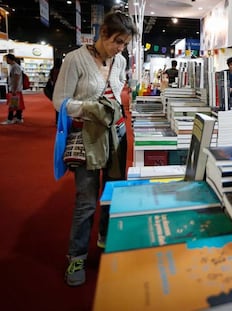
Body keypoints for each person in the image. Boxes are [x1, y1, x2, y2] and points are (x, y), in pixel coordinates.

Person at [52, 10, 138, 287]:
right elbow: (60, 101)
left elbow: (120, 90)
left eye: (125, 43)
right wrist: (91, 108)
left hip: (118, 135)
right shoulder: (76, 59)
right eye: (117, 41)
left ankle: (105, 238)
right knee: (86, 201)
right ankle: (76, 256)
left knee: (113, 195)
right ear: (103, 34)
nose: (120, 47)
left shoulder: (121, 60)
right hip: (87, 136)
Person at [1, 53, 25, 124]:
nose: (6, 61)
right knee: (18, 104)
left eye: (6, 59)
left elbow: (16, 78)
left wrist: (14, 89)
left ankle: (10, 119)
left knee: (12, 105)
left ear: (9, 59)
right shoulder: (14, 66)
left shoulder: (15, 67)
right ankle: (18, 117)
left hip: (15, 89)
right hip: (16, 89)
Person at [44, 58, 63, 125]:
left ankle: (57, 120)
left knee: (57, 106)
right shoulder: (62, 70)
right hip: (61, 89)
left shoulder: (53, 70)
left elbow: (51, 79)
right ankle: (61, 121)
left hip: (55, 89)